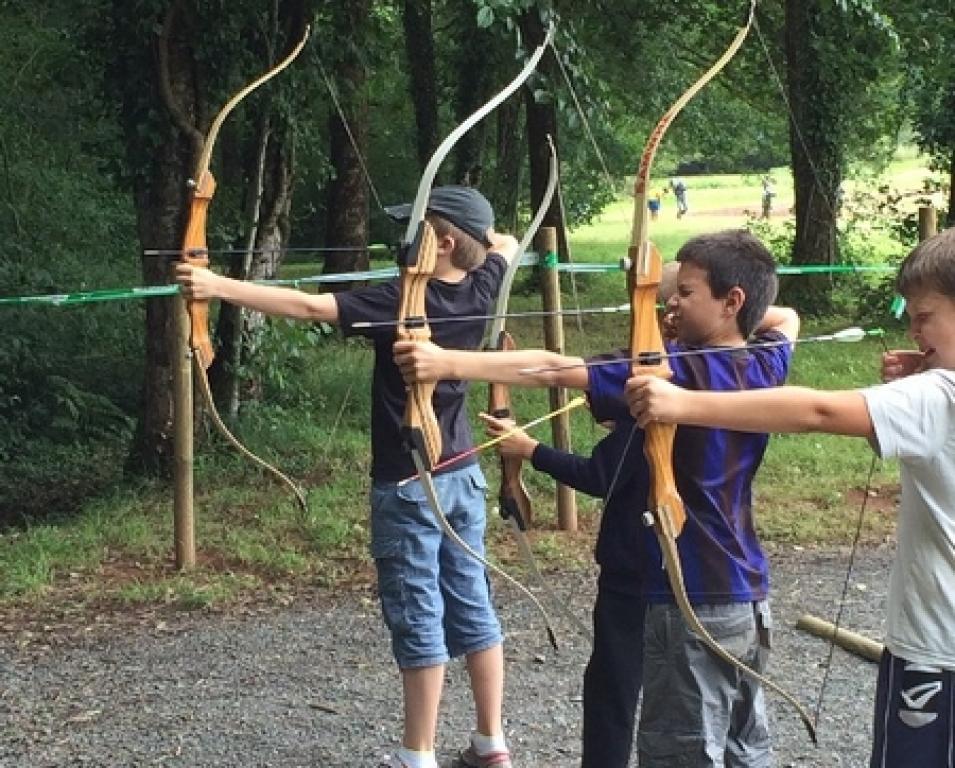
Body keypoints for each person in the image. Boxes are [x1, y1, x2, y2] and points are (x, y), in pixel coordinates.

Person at [394, 229, 800, 767]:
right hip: (744, 589)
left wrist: (446, 363)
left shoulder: (674, 371)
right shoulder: (765, 362)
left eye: (688, 291)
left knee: (682, 749)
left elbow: (553, 368)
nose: (673, 301)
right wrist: (680, 298)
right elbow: (784, 316)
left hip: (683, 587)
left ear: (733, 301)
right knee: (742, 748)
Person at [175, 185, 520, 768]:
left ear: (440, 241)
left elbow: (311, 307)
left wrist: (216, 287)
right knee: (473, 606)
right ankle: (491, 742)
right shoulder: (484, 284)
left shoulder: (401, 301)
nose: (401, 241)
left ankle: (418, 756)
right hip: (464, 475)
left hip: (410, 484)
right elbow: (505, 244)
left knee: (420, 616)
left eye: (414, 231)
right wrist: (486, 244)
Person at [626, 227, 955, 768]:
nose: (914, 331)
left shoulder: (937, 395)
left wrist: (681, 403)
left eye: (924, 317)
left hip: (934, 654)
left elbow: (816, 411)